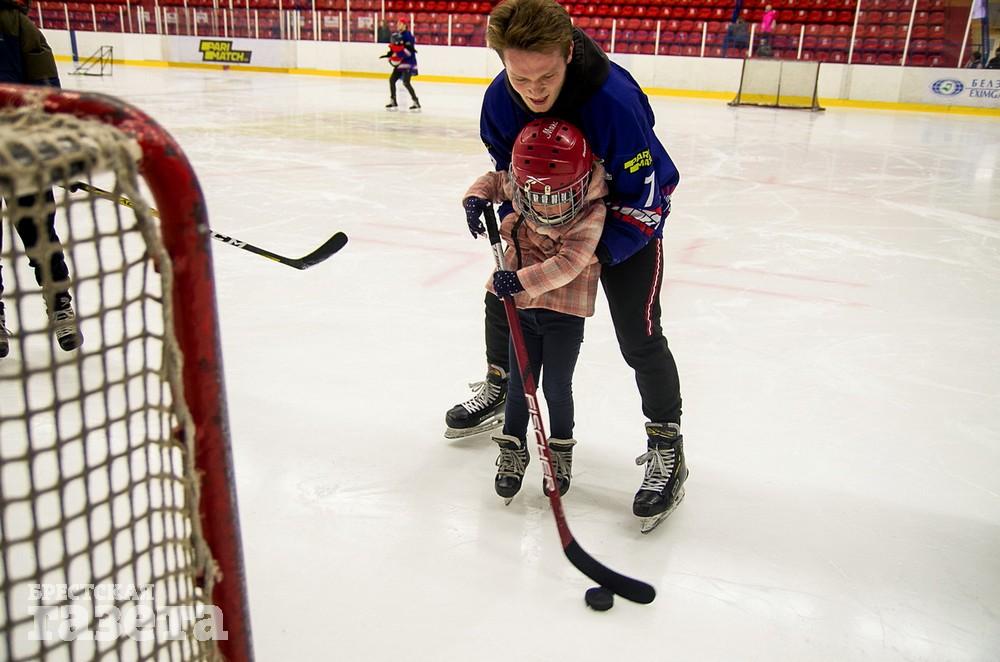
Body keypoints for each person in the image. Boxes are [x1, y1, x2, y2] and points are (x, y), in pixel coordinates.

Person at [446, 0, 688, 529]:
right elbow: (507, 170)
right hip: (545, 212)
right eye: (519, 75)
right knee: (501, 292)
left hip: (625, 218)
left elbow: (647, 193)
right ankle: (500, 382)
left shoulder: (613, 102)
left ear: (570, 51)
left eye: (547, 75)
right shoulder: (499, 101)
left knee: (639, 336)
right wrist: (510, 214)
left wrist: (592, 253)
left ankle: (667, 444)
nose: (533, 90)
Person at [465, 117, 608, 503]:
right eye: (536, 196)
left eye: (556, 195)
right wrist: (475, 198)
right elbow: (496, 181)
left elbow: (569, 263)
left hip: (564, 314)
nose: (546, 205)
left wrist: (520, 280)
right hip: (523, 311)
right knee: (518, 383)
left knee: (556, 385)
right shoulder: (529, 183)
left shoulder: (591, 212)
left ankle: (559, 451)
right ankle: (513, 449)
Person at [0, 0, 82, 359]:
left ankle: (60, 304)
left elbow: (47, 89)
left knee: (39, 233)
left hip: (22, 148)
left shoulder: (17, 24)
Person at [379, 20, 420, 110]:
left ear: (405, 25)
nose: (398, 25)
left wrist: (397, 55)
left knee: (406, 82)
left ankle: (416, 101)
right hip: (401, 63)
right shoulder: (398, 35)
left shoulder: (408, 36)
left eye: (400, 24)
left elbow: (408, 52)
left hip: (408, 63)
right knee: (392, 80)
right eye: (397, 24)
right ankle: (393, 100)